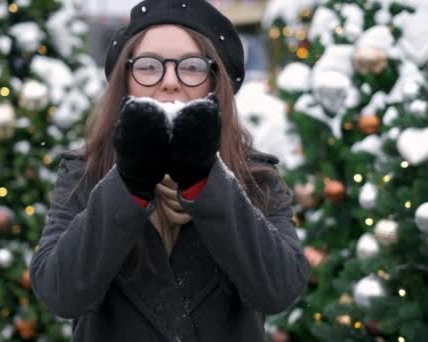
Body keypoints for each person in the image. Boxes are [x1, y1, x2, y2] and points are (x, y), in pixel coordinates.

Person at [30, 0, 310, 341]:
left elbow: (279, 289)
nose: (170, 82)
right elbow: (60, 293)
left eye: (191, 67)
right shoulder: (85, 173)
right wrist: (128, 185)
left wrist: (206, 183)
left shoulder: (256, 177)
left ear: (215, 84)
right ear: (125, 81)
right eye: (148, 67)